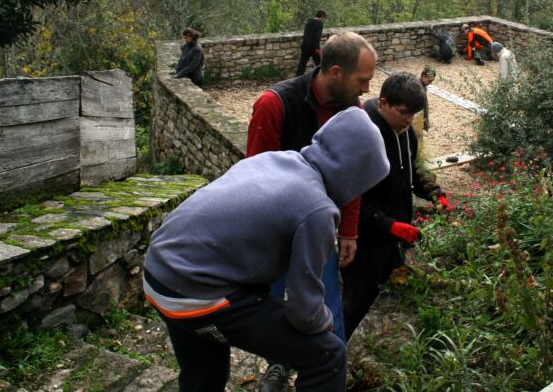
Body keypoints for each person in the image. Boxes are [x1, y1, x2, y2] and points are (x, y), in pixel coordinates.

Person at [144, 108, 390, 392]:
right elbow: (304, 312)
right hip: (194, 293)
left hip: (158, 270)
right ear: (355, 172)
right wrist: (327, 321)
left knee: (204, 373)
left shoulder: (273, 160)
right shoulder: (318, 209)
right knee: (327, 355)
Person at [247, 31, 377, 391]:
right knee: (272, 302)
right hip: (273, 231)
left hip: (321, 229)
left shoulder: (353, 111)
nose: (368, 90)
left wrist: (348, 229)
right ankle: (277, 364)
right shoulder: (274, 104)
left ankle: (324, 371)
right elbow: (254, 179)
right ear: (336, 72)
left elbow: (352, 174)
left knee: (325, 303)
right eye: (362, 80)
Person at [341, 72, 450, 341]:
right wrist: (389, 226)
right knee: (355, 302)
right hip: (364, 243)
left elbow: (409, 172)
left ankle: (365, 348)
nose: (409, 120)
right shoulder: (363, 135)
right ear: (383, 102)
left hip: (393, 238)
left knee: (383, 297)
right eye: (403, 113)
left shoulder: (404, 132)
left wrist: (435, 193)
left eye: (413, 114)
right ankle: (335, 352)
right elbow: (350, 199)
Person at [296, 10, 327, 76]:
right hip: (313, 48)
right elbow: (317, 37)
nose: (323, 20)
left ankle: (297, 78)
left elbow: (306, 34)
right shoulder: (319, 24)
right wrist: (317, 48)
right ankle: (322, 76)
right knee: (319, 64)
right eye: (324, 18)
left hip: (305, 46)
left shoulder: (309, 21)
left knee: (302, 64)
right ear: (321, 16)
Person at [412, 66, 435, 144]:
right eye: (429, 80)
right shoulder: (417, 87)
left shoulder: (423, 86)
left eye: (432, 81)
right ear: (423, 76)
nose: (430, 83)